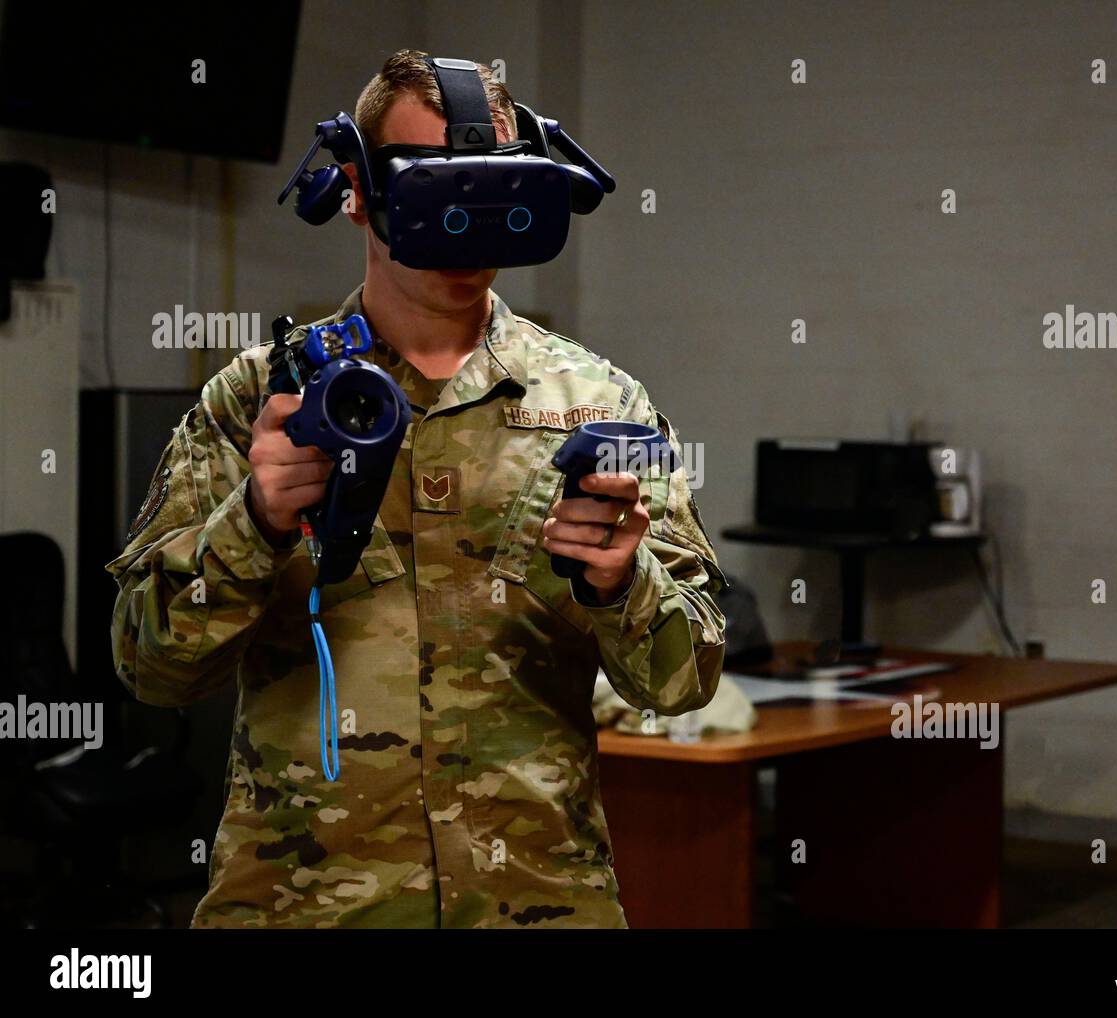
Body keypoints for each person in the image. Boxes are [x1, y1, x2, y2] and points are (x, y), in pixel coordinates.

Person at [107, 50, 727, 929]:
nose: (466, 219)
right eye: (435, 185)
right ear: (357, 189)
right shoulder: (260, 401)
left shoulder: (600, 405)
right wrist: (256, 521)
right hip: (305, 906)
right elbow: (149, 667)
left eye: (490, 186)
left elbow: (685, 680)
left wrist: (623, 582)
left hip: (537, 903)